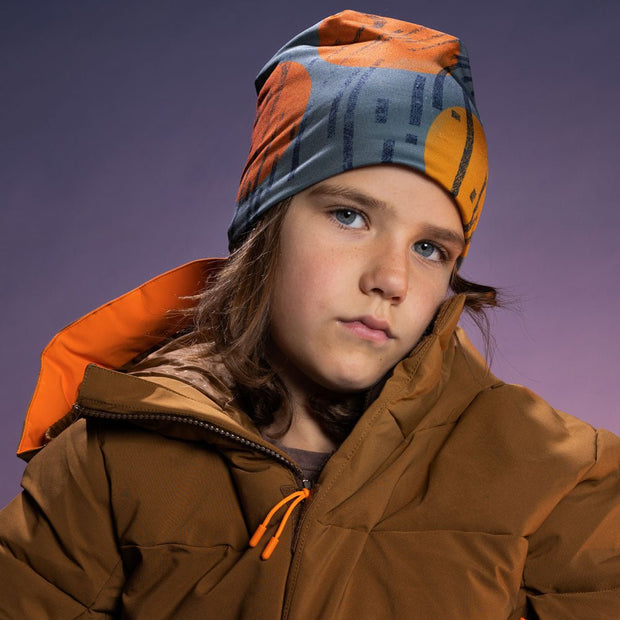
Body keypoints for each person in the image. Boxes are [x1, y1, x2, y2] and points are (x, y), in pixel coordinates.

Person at [0, 9, 619, 618]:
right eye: (350, 216)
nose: (392, 280)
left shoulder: (560, 481)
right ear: (266, 229)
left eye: (430, 249)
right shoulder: (108, 462)